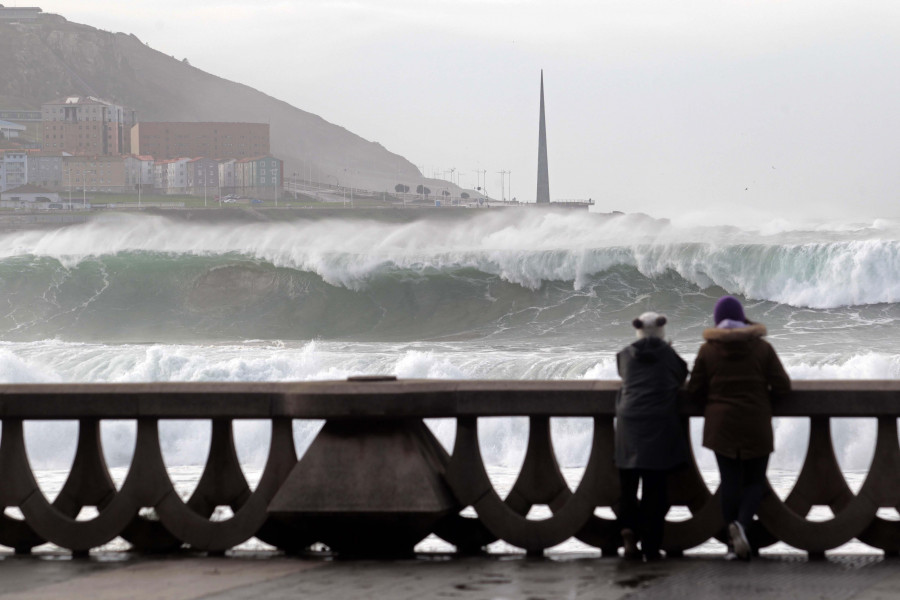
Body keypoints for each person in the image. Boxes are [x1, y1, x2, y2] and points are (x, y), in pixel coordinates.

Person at [688, 295, 791, 561]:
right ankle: (742, 527)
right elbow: (783, 385)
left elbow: (694, 391)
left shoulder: (708, 350)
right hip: (756, 422)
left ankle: (732, 547)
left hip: (721, 426)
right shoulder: (761, 348)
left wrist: (711, 404)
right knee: (755, 482)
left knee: (730, 482)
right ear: (742, 317)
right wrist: (767, 403)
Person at [615, 311, 689, 560]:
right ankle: (650, 546)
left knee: (628, 485)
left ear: (637, 329)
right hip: (658, 426)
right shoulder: (667, 355)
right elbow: (682, 373)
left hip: (628, 424)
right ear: (661, 329)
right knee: (654, 490)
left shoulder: (626, 355)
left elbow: (622, 372)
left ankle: (627, 529)